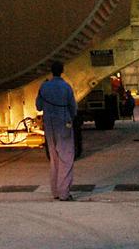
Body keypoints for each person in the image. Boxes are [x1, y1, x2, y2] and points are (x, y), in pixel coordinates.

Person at [35, 60, 78, 201]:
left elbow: (38, 106)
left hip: (49, 125)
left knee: (54, 158)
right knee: (66, 156)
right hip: (63, 123)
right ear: (62, 71)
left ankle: (55, 191)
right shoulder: (66, 87)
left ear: (51, 71)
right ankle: (64, 192)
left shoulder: (44, 86)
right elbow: (73, 107)